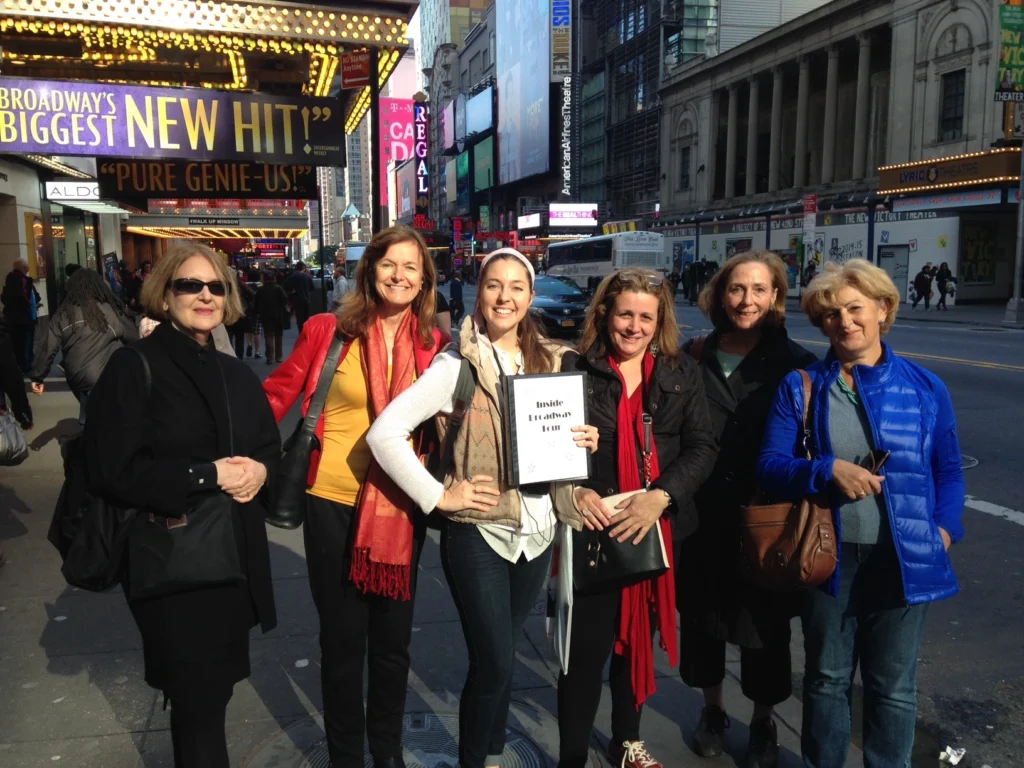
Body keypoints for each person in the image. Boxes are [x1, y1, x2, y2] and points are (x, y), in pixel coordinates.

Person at [366, 248, 600, 768]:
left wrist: (585, 440)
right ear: (479, 292)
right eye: (495, 285)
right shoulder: (456, 366)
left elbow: (565, 443)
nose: (505, 296)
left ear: (530, 297)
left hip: (537, 532)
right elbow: (384, 434)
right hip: (478, 532)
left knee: (504, 660)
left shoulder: (554, 362)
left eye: (517, 286)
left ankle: (492, 755)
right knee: (492, 663)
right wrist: (438, 495)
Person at [757, 259, 965, 767]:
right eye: (830, 314)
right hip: (830, 556)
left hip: (905, 557)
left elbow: (950, 470)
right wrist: (825, 470)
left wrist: (945, 529)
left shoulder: (925, 387)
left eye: (855, 309)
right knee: (827, 679)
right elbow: (769, 467)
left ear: (883, 309)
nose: (845, 322)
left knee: (892, 685)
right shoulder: (800, 387)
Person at [84, 242, 280, 768]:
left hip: (231, 561)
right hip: (172, 562)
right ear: (164, 294)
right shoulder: (135, 367)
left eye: (216, 286)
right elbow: (109, 468)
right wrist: (207, 474)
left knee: (211, 698)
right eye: (189, 285)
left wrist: (260, 469)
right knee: (197, 705)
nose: (205, 295)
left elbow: (267, 449)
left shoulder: (236, 374)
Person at [262, 226, 448, 768]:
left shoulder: (434, 345)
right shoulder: (329, 330)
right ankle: (346, 755)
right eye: (389, 264)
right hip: (331, 504)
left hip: (400, 510)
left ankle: (385, 751)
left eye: (411, 267)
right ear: (370, 270)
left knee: (392, 647)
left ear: (424, 280)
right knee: (342, 646)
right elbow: (275, 394)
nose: (399, 275)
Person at [557, 269, 717, 768]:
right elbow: (550, 447)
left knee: (634, 647)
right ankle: (572, 758)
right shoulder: (574, 368)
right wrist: (575, 488)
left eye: (646, 316)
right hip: (596, 530)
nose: (634, 326)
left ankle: (627, 740)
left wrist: (662, 496)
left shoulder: (679, 371)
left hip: (656, 529)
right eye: (625, 313)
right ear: (605, 315)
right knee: (583, 658)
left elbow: (701, 446)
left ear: (660, 320)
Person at [678, 251, 816, 767]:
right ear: (720, 294)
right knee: (703, 617)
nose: (747, 301)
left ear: (777, 298)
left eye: (760, 290)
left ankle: (763, 720)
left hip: (768, 516)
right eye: (737, 289)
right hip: (701, 512)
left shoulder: (799, 366)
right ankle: (712, 709)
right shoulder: (694, 355)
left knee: (766, 627)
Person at [30, 269, 139, 425]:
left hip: (76, 377)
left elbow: (48, 346)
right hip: (105, 376)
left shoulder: (64, 312)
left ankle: (88, 425)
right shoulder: (110, 310)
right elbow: (134, 338)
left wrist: (38, 377)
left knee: (91, 410)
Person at [2, 258, 42, 372]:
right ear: (24, 268)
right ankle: (26, 364)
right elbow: (22, 297)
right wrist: (30, 305)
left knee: (19, 342)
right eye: (27, 267)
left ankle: (22, 363)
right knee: (26, 341)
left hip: (17, 318)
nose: (28, 269)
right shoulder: (21, 280)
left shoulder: (10, 280)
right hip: (24, 318)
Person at [254, 271, 291, 365]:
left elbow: (256, 303)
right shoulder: (278, 288)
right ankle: (279, 356)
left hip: (265, 315)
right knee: (279, 336)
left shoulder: (260, 289)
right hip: (278, 315)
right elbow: (285, 299)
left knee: (268, 336)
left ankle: (269, 357)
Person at [226, 269, 254, 359]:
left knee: (229, 335)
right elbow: (252, 294)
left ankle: (229, 356)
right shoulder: (239, 283)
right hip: (239, 311)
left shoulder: (223, 283)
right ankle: (239, 356)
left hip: (227, 311)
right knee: (239, 336)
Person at [284, 261, 315, 331]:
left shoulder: (292, 277)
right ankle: (306, 331)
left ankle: (301, 331)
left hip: (297, 300)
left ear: (296, 268)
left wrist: (292, 291)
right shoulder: (307, 276)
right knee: (306, 317)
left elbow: (285, 286)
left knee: (299, 318)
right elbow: (312, 288)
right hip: (307, 299)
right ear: (303, 268)